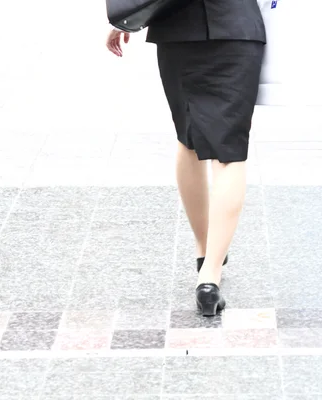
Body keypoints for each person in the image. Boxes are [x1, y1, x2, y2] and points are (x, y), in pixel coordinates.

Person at [106, 0, 266, 317]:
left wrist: (126, 17)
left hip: (178, 31)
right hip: (237, 28)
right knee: (229, 154)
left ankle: (205, 250)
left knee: (188, 140)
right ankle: (209, 276)